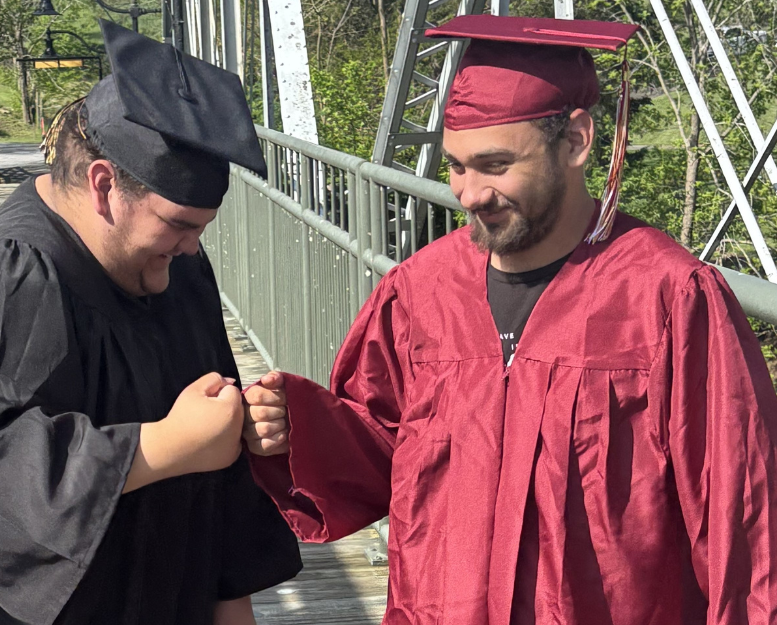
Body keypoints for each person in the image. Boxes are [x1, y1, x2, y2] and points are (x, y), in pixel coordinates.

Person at [243, 14, 777, 625]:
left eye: (494, 165)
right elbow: (381, 444)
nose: (468, 194)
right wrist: (298, 427)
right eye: (456, 166)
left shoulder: (667, 298)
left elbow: (740, 515)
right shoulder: (420, 291)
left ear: (575, 141)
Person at [0, 20, 301, 625]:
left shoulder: (174, 268)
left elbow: (209, 463)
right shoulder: (9, 279)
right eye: (179, 224)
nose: (192, 247)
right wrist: (163, 445)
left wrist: (243, 425)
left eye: (202, 228)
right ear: (104, 184)